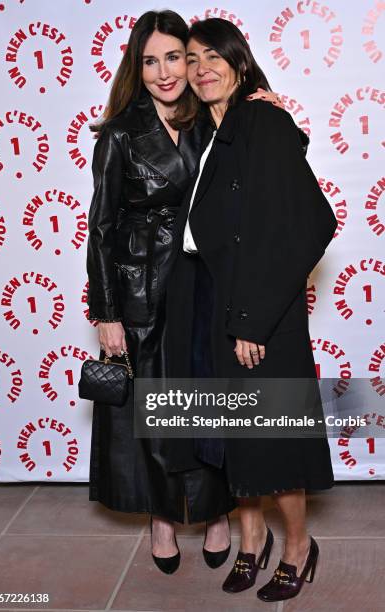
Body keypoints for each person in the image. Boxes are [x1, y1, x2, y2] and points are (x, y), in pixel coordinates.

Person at [86, 9, 304, 576]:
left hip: (205, 286)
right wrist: (105, 311)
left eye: (175, 57)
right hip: (142, 291)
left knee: (206, 406)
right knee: (155, 413)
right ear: (138, 66)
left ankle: (213, 516)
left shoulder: (213, 119)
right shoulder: (120, 134)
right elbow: (102, 226)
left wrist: (268, 102)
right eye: (150, 60)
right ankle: (161, 520)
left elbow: (264, 166)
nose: (165, 71)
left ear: (190, 61)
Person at [165, 18, 337, 602]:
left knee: (275, 437)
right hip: (215, 300)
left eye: (213, 56)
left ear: (240, 62)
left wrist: (252, 320)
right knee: (238, 437)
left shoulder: (263, 119)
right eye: (191, 58)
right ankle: (251, 542)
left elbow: (307, 222)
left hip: (259, 309)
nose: (200, 67)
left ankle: (296, 548)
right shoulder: (209, 130)